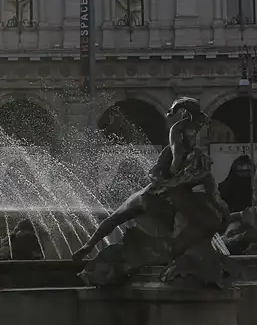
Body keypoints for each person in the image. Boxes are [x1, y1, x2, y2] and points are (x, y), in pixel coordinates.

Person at [72, 97, 228, 262]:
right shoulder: (196, 165)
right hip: (170, 197)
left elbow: (154, 173)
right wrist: (221, 211)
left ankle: (89, 245)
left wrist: (161, 182)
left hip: (152, 194)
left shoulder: (175, 153)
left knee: (116, 217)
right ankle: (175, 255)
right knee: (179, 231)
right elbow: (213, 194)